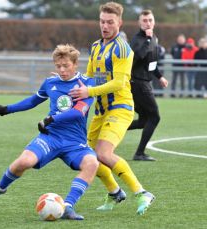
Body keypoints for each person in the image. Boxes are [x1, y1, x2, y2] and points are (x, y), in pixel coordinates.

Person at [0, 44, 99, 220]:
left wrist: (51, 119)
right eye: (58, 66)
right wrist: (8, 109)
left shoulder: (87, 84)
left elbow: (79, 111)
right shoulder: (50, 82)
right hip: (51, 137)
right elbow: (33, 101)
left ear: (75, 64)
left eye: (66, 66)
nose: (62, 70)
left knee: (92, 164)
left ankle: (68, 207)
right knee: (24, 162)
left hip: (75, 142)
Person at [69, 2, 155, 215]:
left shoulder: (123, 49)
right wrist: (67, 81)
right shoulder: (96, 46)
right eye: (102, 21)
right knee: (87, 157)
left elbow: (118, 83)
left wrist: (89, 92)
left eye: (110, 22)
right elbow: (88, 79)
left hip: (120, 108)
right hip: (100, 110)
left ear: (120, 23)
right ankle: (115, 193)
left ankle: (141, 192)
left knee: (103, 153)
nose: (105, 26)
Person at [127, 9, 168, 161]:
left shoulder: (153, 38)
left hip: (145, 82)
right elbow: (137, 58)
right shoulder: (137, 39)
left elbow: (151, 62)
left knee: (144, 121)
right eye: (144, 21)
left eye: (150, 20)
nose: (148, 23)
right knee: (155, 117)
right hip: (137, 83)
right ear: (139, 23)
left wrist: (160, 76)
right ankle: (139, 153)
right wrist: (149, 40)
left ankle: (107, 131)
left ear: (154, 21)